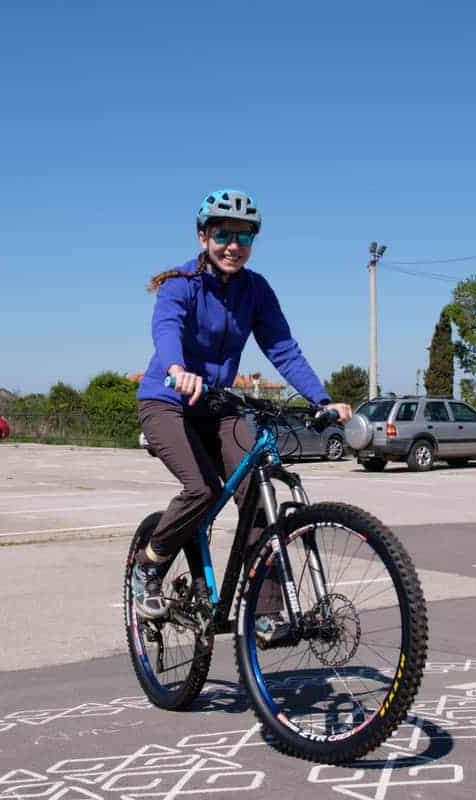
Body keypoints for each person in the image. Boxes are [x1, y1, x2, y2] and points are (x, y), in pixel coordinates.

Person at [133, 189, 352, 643]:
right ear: (203, 236)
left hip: (217, 404)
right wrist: (177, 369)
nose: (233, 244)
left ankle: (264, 612)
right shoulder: (180, 284)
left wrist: (321, 399)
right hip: (167, 399)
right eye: (223, 234)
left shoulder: (256, 289)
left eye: (244, 236)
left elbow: (282, 349)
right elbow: (167, 328)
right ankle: (149, 564)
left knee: (255, 489)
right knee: (200, 489)